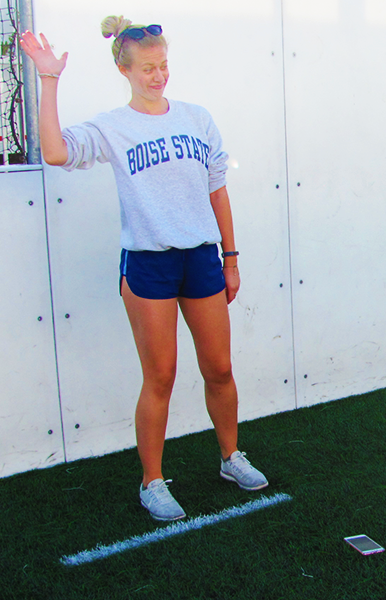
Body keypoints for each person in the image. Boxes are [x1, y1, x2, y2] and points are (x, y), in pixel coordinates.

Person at [20, 17, 268, 521]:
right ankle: (152, 482)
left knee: (219, 368)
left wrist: (231, 257)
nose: (159, 76)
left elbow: (218, 189)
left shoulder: (197, 118)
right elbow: (54, 151)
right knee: (161, 376)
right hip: (149, 264)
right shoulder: (113, 125)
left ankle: (230, 456)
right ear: (125, 69)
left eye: (164, 66)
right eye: (149, 68)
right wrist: (49, 80)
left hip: (201, 257)